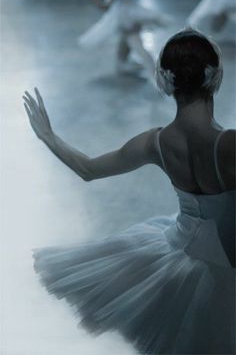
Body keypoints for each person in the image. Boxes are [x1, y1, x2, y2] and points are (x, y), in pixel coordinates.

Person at [23, 29, 235, 355]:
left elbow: (88, 169)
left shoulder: (155, 143)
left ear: (167, 82)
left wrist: (49, 136)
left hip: (178, 255)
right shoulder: (228, 145)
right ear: (214, 77)